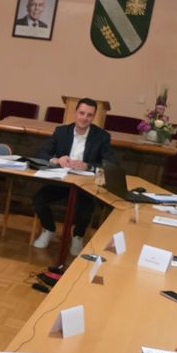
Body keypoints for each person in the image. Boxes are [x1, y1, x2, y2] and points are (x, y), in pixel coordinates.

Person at [31, 98, 116, 256]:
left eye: (89, 115)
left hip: (84, 184)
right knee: (38, 200)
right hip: (62, 180)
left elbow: (111, 163)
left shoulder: (102, 136)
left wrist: (88, 165)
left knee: (86, 209)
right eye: (81, 113)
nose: (84, 118)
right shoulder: (61, 131)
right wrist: (56, 160)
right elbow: (41, 153)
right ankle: (49, 229)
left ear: (93, 117)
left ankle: (78, 235)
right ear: (75, 113)